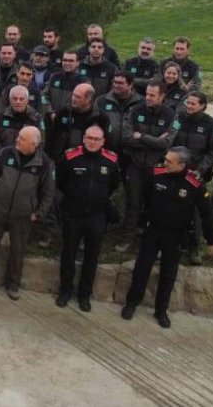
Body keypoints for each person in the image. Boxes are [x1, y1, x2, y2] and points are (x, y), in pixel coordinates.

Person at [121, 147, 213, 328]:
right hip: (153, 231)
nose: (164, 162)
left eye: (169, 161)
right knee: (141, 269)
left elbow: (206, 213)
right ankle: (132, 303)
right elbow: (147, 197)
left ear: (182, 165)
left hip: (176, 236)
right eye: (165, 159)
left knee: (168, 275)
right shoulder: (157, 173)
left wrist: (212, 240)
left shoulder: (195, 183)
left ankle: (161, 311)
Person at [0, 127, 54, 299]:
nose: (17, 139)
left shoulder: (44, 163)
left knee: (18, 250)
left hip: (23, 214)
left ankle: (13, 285)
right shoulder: (6, 153)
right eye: (18, 136)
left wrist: (38, 214)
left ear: (34, 144)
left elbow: (48, 193)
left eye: (22, 138)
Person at [55, 126, 121, 312]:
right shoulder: (70, 157)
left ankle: (84, 295)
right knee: (68, 254)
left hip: (97, 216)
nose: (92, 142)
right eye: (89, 138)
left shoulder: (111, 160)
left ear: (103, 141)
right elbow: (60, 181)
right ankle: (65, 291)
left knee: (91, 257)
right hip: (73, 214)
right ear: (83, 138)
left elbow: (114, 185)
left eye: (96, 139)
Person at [165, 90, 213, 264]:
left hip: (196, 173)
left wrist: (201, 169)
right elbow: (170, 140)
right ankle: (170, 245)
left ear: (203, 106)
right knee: (171, 208)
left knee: (196, 212)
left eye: (193, 104)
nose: (189, 106)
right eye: (187, 103)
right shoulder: (178, 118)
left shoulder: (211, 124)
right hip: (176, 171)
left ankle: (193, 248)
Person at [121, 82, 177, 245]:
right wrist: (154, 141)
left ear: (162, 97)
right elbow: (126, 138)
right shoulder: (135, 110)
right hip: (135, 164)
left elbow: (167, 143)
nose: (148, 97)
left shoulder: (172, 116)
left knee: (154, 203)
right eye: (146, 94)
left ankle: (148, 237)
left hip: (157, 166)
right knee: (133, 201)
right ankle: (127, 238)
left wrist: (142, 137)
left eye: (152, 95)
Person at [94, 71, 142, 158]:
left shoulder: (141, 103)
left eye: (120, 83)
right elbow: (95, 123)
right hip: (107, 150)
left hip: (132, 153)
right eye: (115, 82)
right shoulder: (101, 101)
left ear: (130, 85)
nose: (116, 85)